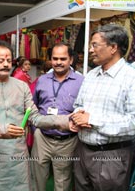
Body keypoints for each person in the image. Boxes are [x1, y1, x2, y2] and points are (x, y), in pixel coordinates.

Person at [0, 40, 71, 191]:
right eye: (1, 60)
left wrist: (65, 121)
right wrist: (3, 129)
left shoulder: (22, 86)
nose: (6, 64)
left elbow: (35, 117)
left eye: (8, 60)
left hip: (18, 156)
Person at [69, 24, 135, 191]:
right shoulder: (91, 75)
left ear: (113, 47)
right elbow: (78, 105)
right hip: (82, 151)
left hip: (112, 156)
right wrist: (75, 117)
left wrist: (92, 120)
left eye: (95, 45)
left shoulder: (132, 78)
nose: (90, 50)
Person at [31, 43, 84, 191]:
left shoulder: (81, 82)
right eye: (55, 58)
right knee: (37, 179)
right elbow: (33, 106)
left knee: (63, 182)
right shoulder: (42, 80)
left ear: (71, 60)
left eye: (63, 58)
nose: (58, 62)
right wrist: (35, 130)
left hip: (67, 141)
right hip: (42, 138)